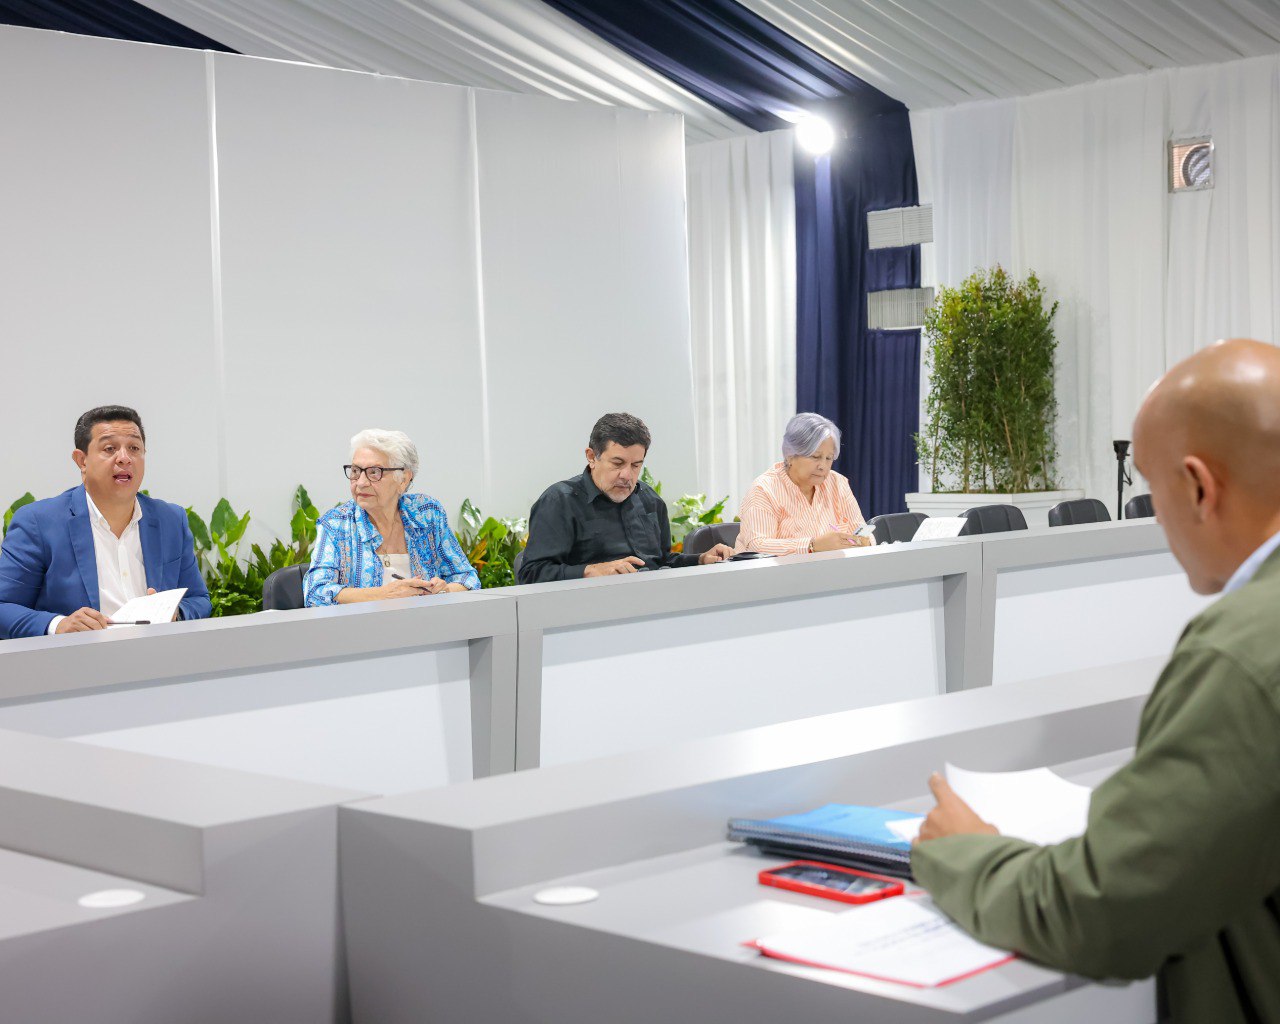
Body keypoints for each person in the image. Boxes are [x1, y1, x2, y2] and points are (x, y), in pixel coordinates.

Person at [912, 338, 1280, 1022]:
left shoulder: (1241, 654)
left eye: (1152, 488)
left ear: (1198, 488)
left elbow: (1104, 910)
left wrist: (968, 854)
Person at [0, 405, 211, 639]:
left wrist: (175, 613)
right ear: (82, 461)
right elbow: (4, 606)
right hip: (78, 657)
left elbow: (198, 600)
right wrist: (58, 625)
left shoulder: (170, 520)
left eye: (134, 448)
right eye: (110, 449)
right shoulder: (38, 523)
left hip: (156, 654)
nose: (125, 458)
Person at [518, 413, 734, 584]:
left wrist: (700, 559)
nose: (627, 475)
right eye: (618, 463)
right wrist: (591, 571)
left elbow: (661, 562)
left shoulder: (650, 500)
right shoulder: (559, 502)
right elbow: (531, 574)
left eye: (636, 465)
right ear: (592, 457)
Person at [304, 428, 479, 605]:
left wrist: (444, 590)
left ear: (403, 479)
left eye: (374, 472)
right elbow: (315, 593)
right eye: (356, 471)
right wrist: (383, 595)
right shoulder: (335, 524)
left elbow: (467, 578)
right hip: (362, 623)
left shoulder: (427, 514)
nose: (361, 483)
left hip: (426, 621)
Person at [735, 412, 873, 555]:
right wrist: (812, 545)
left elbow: (862, 532)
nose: (823, 466)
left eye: (829, 458)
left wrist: (865, 541)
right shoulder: (764, 489)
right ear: (790, 455)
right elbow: (757, 546)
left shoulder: (837, 483)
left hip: (832, 567)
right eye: (815, 457)